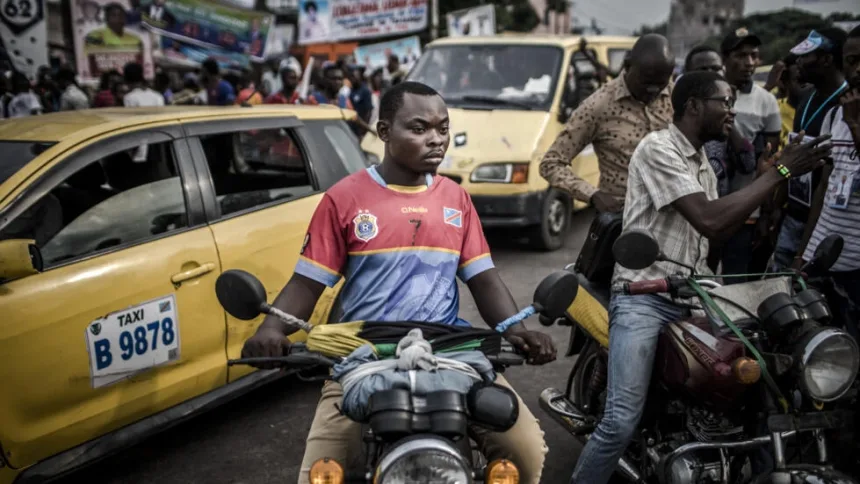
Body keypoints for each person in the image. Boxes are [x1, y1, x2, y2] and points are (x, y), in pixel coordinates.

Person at [240, 81, 555, 484]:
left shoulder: (456, 199)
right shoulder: (344, 198)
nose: (436, 140)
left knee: (525, 452)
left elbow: (485, 279)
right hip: (362, 355)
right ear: (384, 131)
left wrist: (517, 330)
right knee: (321, 472)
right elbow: (306, 284)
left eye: (443, 129)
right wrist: (270, 329)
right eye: (420, 128)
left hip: (448, 352)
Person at [571, 71, 831, 484]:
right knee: (620, 419)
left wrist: (769, 182)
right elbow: (710, 220)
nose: (731, 110)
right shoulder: (658, 149)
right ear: (693, 105)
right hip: (644, 293)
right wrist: (778, 172)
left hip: (693, 294)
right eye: (723, 102)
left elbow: (720, 229)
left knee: (760, 376)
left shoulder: (703, 163)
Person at [539, 34, 675, 213]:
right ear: (627, 67)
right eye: (646, 82)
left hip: (672, 218)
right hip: (623, 220)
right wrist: (592, 195)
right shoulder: (598, 107)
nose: (653, 90)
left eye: (660, 84)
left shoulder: (676, 96)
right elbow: (550, 164)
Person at [797, 25, 860, 328]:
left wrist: (856, 125)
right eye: (851, 61)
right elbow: (824, 186)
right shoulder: (836, 116)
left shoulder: (847, 115)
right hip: (827, 256)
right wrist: (805, 252)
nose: (856, 69)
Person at [771, 28, 849, 272]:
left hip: (825, 223)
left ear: (826, 60)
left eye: (806, 57)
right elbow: (792, 154)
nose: (799, 63)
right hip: (794, 214)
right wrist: (777, 207)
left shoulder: (846, 104)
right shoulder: (805, 100)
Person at [718, 27, 782, 280]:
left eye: (754, 56)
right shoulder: (706, 95)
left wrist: (766, 213)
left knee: (737, 281)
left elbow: (771, 161)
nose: (749, 63)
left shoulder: (766, 101)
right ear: (724, 58)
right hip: (703, 207)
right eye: (741, 55)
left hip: (744, 213)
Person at [685, 45, 757, 201]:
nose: (710, 75)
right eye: (703, 69)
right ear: (687, 75)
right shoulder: (676, 114)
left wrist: (726, 111)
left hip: (720, 212)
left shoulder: (724, 118)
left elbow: (748, 164)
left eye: (715, 69)